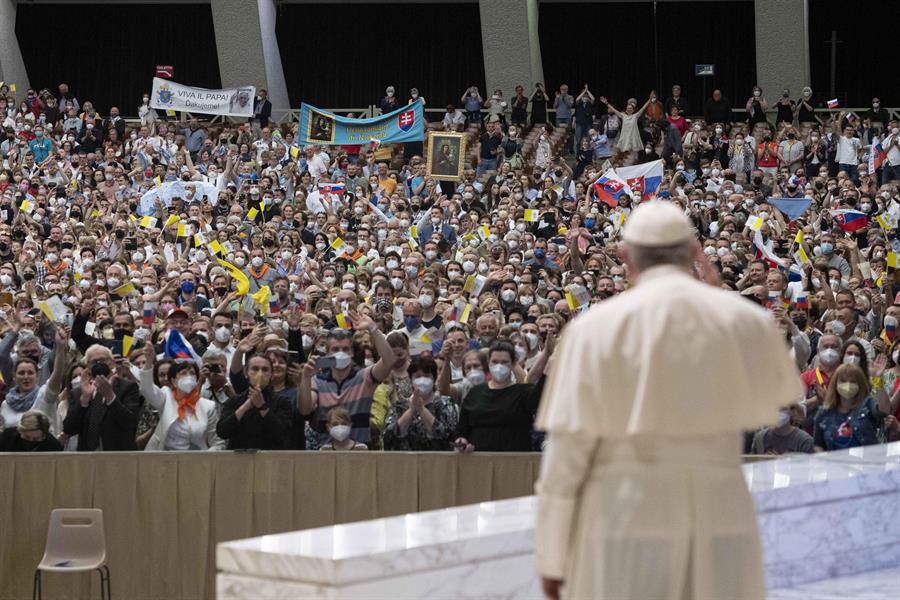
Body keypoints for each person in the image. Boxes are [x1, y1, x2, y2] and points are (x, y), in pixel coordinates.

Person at [534, 202, 802, 600]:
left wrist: (551, 555)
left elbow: (566, 457)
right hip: (720, 515)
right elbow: (783, 396)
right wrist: (722, 303)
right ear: (695, 253)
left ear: (624, 256)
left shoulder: (590, 330)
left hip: (625, 515)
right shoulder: (746, 319)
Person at [453, 340, 553, 452]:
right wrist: (461, 441)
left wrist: (550, 355)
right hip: (479, 459)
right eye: (495, 362)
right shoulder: (475, 393)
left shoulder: (523, 393)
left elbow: (541, 389)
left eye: (504, 362)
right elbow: (462, 429)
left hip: (515, 460)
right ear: (488, 363)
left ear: (513, 363)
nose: (499, 366)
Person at [138, 342, 224, 451]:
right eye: (183, 373)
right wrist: (149, 361)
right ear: (173, 381)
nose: (189, 377)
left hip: (197, 462)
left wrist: (205, 457)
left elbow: (217, 443)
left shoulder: (208, 406)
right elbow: (146, 389)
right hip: (164, 460)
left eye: (192, 373)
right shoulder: (165, 397)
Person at [382, 356, 458, 450]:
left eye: (427, 376)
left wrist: (422, 410)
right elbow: (388, 437)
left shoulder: (446, 403)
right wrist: (411, 411)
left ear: (434, 379)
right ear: (411, 379)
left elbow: (448, 437)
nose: (422, 380)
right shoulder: (399, 406)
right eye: (417, 376)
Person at [813, 364, 891, 451]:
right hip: (835, 463)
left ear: (860, 384)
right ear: (835, 384)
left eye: (853, 381)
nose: (848, 385)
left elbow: (884, 410)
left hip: (867, 462)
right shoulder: (824, 412)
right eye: (843, 381)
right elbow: (818, 445)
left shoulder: (867, 404)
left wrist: (878, 380)